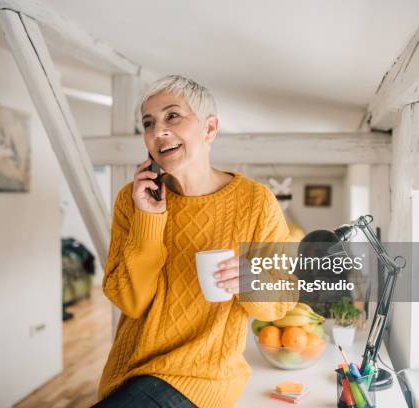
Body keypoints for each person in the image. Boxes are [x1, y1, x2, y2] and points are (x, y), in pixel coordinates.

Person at [94, 75, 298, 408]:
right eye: (148, 123)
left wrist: (252, 280)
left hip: (204, 378)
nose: (159, 131)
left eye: (172, 116)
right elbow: (129, 302)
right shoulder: (131, 200)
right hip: (131, 373)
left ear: (209, 128)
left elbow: (282, 299)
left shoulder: (256, 202)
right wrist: (148, 217)